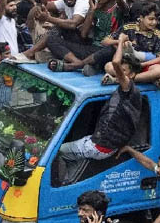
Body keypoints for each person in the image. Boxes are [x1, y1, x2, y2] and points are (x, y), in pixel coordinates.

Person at [57, 37, 143, 170]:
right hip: (107, 144)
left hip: (100, 146)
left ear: (131, 75)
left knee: (59, 150)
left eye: (123, 71)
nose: (119, 72)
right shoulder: (130, 90)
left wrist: (120, 41)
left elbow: (115, 62)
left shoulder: (128, 88)